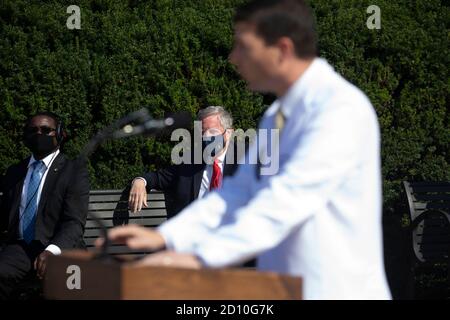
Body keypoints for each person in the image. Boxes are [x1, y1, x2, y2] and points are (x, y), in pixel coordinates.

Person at [100, 0, 391, 299]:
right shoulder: (275, 115)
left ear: (282, 49)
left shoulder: (339, 109)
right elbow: (237, 192)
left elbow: (285, 202)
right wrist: (167, 236)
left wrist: (198, 257)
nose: (233, 57)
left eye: (243, 46)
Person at [0, 112, 89, 299]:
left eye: (46, 130)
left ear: (58, 134)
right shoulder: (15, 172)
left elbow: (74, 222)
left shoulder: (73, 171)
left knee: (72, 284)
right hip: (20, 248)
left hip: (61, 248)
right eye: (33, 130)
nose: (38, 134)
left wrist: (51, 250)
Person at [128, 106, 240, 218]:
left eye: (212, 131)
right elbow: (158, 177)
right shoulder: (189, 162)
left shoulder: (246, 163)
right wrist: (140, 182)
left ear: (229, 133)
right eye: (202, 132)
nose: (206, 137)